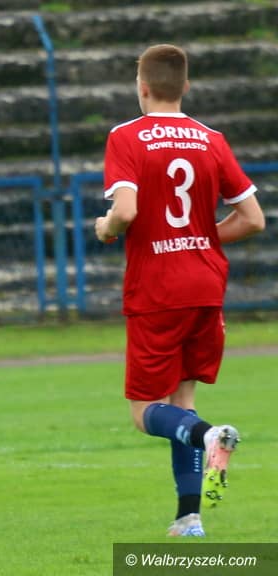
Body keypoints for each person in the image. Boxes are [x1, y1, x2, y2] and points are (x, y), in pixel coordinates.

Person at [94, 44, 265, 537]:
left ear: (142, 87)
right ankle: (189, 519)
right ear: (185, 86)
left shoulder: (126, 136)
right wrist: (200, 238)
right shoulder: (211, 138)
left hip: (157, 288)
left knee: (145, 412)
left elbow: (126, 211)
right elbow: (253, 219)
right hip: (206, 284)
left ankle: (211, 436)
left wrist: (106, 228)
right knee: (181, 401)